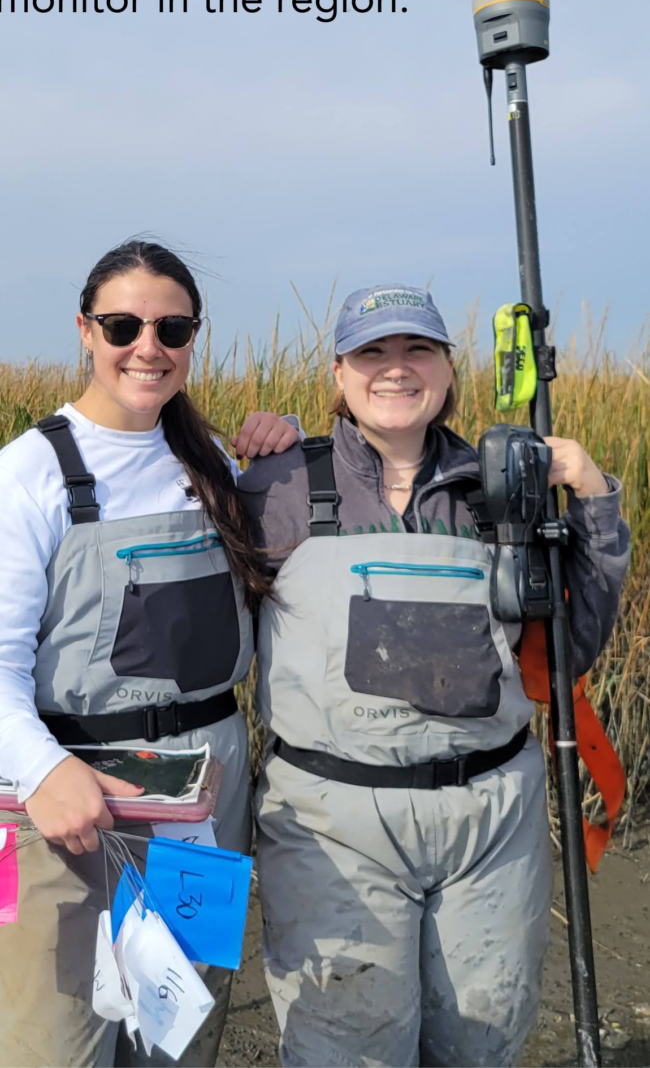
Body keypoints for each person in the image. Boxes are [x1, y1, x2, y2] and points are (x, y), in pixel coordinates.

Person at [238, 283, 631, 1068]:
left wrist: (590, 493)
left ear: (448, 369)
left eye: (417, 349)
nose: (396, 368)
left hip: (490, 820)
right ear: (339, 372)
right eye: (372, 352)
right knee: (347, 1044)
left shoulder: (506, 487)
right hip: (329, 821)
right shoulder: (274, 487)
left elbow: (572, 647)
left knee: (479, 1036)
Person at [0, 238, 302, 1068]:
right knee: (51, 1044)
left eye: (172, 329)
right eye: (122, 325)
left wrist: (289, 449)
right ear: (85, 331)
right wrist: (43, 774)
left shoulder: (213, 466)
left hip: (204, 804)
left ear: (193, 337)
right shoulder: (28, 475)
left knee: (180, 1036)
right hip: (65, 808)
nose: (148, 347)